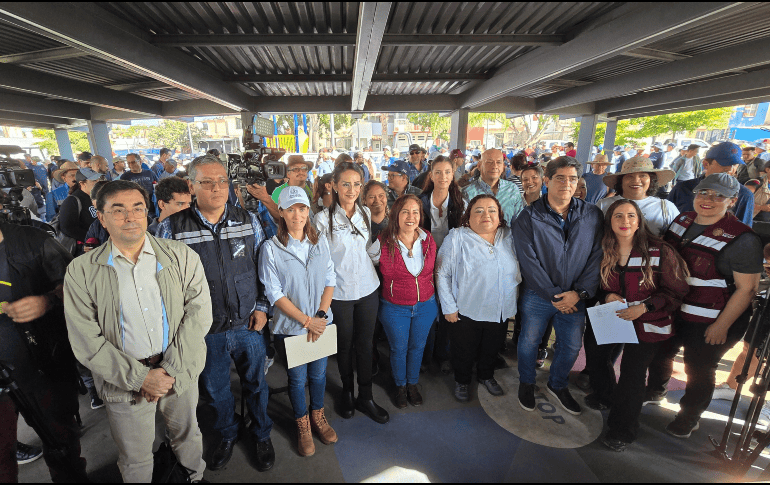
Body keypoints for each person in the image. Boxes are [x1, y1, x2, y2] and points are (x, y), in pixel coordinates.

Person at [64, 180, 211, 482]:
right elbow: (87, 340)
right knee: (135, 457)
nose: (130, 217)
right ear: (101, 218)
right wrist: (141, 377)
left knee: (188, 436)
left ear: (147, 213)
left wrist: (168, 369)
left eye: (137, 209)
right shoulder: (81, 271)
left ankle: (194, 478)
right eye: (118, 211)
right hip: (123, 381)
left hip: (179, 371)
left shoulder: (181, 256)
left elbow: (199, 314)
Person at [156, 155, 276, 472]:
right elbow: (161, 283)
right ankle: (226, 433)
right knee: (217, 389)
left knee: (256, 385)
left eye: (222, 180)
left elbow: (266, 270)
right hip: (204, 333)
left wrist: (263, 307)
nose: (217, 188)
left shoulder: (249, 221)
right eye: (207, 182)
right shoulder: (172, 228)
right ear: (192, 187)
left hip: (249, 324)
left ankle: (262, 434)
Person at [646, 173, 763, 439]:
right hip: (674, 309)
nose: (708, 199)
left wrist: (722, 325)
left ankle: (690, 415)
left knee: (698, 367)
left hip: (711, 317)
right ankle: (655, 390)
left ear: (732, 201)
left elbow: (748, 289)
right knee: (661, 352)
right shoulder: (682, 220)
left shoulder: (743, 239)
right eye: (703, 193)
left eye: (718, 195)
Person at [587, 200, 690, 451]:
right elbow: (592, 284)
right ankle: (605, 394)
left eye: (631, 216)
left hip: (650, 321)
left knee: (632, 375)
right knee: (596, 356)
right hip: (612, 315)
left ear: (639, 220)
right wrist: (606, 296)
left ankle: (622, 430)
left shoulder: (659, 250)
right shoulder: (601, 249)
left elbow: (677, 291)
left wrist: (644, 307)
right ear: (609, 221)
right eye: (618, 216)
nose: (625, 222)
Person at [512, 156, 604, 416]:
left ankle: (558, 383)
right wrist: (554, 295)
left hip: (576, 296)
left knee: (572, 346)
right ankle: (527, 382)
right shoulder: (528, 218)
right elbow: (528, 262)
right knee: (529, 341)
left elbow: (597, 255)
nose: (567, 183)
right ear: (547, 181)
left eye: (572, 179)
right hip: (538, 295)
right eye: (560, 178)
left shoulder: (591, 214)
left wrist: (579, 293)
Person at [0, 221, 88, 483]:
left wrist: (48, 300)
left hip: (43, 364)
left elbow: (78, 283)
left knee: (61, 441)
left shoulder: (33, 241)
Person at [258, 186, 338, 457]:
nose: (297, 215)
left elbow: (330, 279)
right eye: (290, 209)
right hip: (292, 328)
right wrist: (307, 321)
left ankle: (318, 416)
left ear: (308, 210)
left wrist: (321, 316)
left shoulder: (319, 242)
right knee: (297, 378)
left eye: (302, 208)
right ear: (280, 212)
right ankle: (302, 423)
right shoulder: (271, 248)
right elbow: (274, 294)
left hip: (320, 322)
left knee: (318, 374)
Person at [313, 162, 389, 424]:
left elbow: (369, 250)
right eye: (346, 184)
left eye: (357, 184)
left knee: (366, 346)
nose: (352, 189)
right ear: (333, 185)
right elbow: (321, 262)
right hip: (340, 293)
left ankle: (365, 396)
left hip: (368, 289)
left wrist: (383, 251)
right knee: (344, 346)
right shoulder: (323, 219)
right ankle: (347, 391)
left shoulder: (366, 213)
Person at [436, 194, 521, 401]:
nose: (486, 215)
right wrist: (448, 306)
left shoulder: (509, 236)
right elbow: (441, 273)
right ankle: (462, 381)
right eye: (479, 210)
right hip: (466, 309)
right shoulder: (457, 238)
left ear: (500, 216)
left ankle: (486, 375)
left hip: (500, 308)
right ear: (468, 216)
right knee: (463, 350)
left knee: (492, 347)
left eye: (492, 210)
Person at [368, 195, 439, 408]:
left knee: (417, 347)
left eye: (415, 212)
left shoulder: (428, 240)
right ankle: (400, 386)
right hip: (394, 307)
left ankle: (412, 384)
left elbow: (435, 271)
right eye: (405, 212)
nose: (411, 217)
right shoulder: (382, 242)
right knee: (398, 348)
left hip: (425, 305)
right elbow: (366, 264)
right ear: (395, 215)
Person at [668, 142, 754, 227]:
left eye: (734, 164)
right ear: (706, 164)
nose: (730, 169)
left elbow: (743, 231)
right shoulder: (682, 188)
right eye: (724, 163)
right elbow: (666, 219)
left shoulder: (744, 194)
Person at [597, 157, 679, 236]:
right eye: (629, 176)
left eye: (643, 175)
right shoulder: (603, 205)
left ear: (651, 179)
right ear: (621, 180)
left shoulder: (666, 208)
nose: (636, 180)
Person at [463, 148, 525, 224]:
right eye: (489, 162)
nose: (495, 166)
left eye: (499, 162)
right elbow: (465, 225)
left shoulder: (512, 189)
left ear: (503, 166)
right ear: (479, 165)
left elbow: (519, 222)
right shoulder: (467, 192)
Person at [418, 156, 465, 249]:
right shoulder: (419, 203)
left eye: (447, 172)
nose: (443, 177)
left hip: (452, 257)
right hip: (425, 256)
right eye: (438, 172)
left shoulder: (461, 204)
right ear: (431, 176)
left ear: (452, 175)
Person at [59, 168, 103, 256]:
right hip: (86, 249)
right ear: (82, 183)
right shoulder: (72, 200)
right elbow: (67, 227)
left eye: (99, 180)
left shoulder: (99, 197)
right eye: (94, 181)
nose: (98, 183)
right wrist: (89, 240)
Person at [84, 180, 111, 250]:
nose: (100, 214)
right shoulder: (95, 226)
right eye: (97, 209)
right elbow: (86, 246)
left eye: (103, 208)